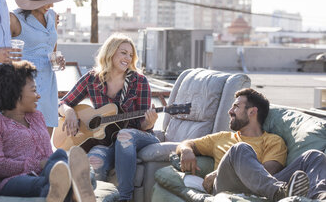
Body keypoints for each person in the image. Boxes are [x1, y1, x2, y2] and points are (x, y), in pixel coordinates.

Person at [58, 34, 160, 202]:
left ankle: (124, 198)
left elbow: (144, 125)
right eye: (123, 53)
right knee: (94, 162)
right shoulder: (92, 79)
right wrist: (68, 112)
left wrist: (149, 122)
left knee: (124, 135)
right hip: (105, 141)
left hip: (138, 136)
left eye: (130, 55)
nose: (128, 58)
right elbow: (63, 103)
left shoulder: (139, 81)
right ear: (110, 53)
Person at [176, 88, 326, 201]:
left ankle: (320, 197)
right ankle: (280, 193)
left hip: (263, 186)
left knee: (314, 156)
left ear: (252, 112)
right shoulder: (222, 137)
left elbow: (269, 172)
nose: (230, 111)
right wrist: (186, 150)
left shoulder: (273, 141)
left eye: (236, 106)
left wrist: (218, 172)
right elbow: (187, 143)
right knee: (239, 149)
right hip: (227, 187)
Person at [0, 60, 95, 202]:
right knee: (51, 183)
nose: (38, 96)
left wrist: (51, 166)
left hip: (46, 174)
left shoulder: (37, 117)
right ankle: (74, 188)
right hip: (13, 181)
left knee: (60, 155)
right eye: (33, 90)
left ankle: (70, 186)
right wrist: (37, 165)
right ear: (15, 93)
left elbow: (49, 160)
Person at [10, 0, 67, 136]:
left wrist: (57, 58)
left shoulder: (52, 15)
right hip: (25, 84)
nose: (52, 4)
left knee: (45, 141)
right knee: (26, 140)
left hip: (49, 82)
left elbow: (51, 47)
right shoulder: (14, 19)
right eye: (47, 0)